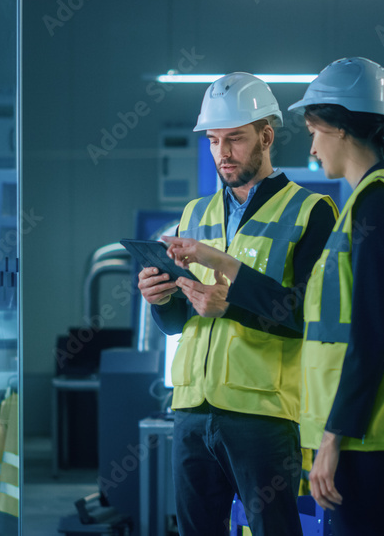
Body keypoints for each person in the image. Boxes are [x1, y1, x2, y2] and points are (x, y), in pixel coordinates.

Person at [170, 58, 384, 535]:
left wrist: (333, 436)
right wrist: (161, 298)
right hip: (352, 424)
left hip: (351, 426)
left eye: (314, 130)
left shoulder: (354, 207)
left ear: (340, 128)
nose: (311, 146)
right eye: (213, 140)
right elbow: (347, 324)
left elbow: (360, 333)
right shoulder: (373, 200)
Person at [138, 72, 337, 535]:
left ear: (266, 136)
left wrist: (228, 299)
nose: (222, 154)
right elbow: (178, 323)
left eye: (235, 140)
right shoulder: (195, 213)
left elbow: (307, 317)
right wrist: (159, 299)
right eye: (213, 141)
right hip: (191, 410)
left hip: (263, 416)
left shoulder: (312, 212)